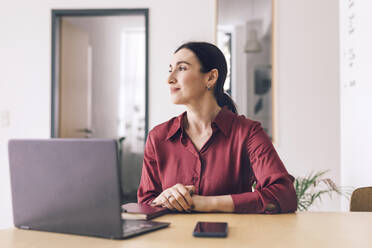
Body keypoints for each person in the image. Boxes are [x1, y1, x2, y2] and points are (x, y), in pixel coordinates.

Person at [137, 41, 297, 213]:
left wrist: (205, 203)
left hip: (231, 238)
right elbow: (145, 205)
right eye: (170, 70)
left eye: (182, 68)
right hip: (171, 239)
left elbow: (284, 195)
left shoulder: (248, 133)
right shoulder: (158, 137)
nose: (170, 79)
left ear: (211, 77)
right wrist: (164, 199)